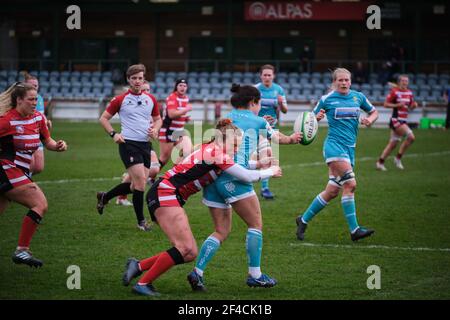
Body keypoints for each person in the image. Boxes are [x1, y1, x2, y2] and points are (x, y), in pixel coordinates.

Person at [121, 119, 282, 296]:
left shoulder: (211, 149)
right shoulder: (216, 152)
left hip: (164, 194)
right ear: (223, 139)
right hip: (165, 193)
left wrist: (259, 164)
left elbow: (237, 167)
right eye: (234, 145)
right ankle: (143, 283)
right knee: (186, 248)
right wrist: (271, 172)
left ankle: (138, 266)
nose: (236, 150)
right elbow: (245, 176)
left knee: (188, 251)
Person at [187, 84, 301, 291]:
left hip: (213, 176)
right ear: (253, 103)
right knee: (255, 224)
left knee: (221, 230)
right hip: (234, 176)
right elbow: (278, 138)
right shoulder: (258, 120)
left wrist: (257, 163)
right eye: (259, 104)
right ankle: (255, 275)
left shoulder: (226, 119)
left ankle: (198, 272)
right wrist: (293, 138)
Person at [295, 68, 378, 242]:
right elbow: (309, 120)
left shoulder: (358, 97)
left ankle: (302, 220)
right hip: (334, 147)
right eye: (340, 80)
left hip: (350, 149)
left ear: (350, 81)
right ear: (334, 82)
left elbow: (374, 111)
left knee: (332, 191)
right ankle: (354, 230)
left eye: (347, 80)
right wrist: (316, 117)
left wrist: (370, 120)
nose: (344, 83)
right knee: (351, 184)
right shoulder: (327, 99)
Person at [0, 82, 67, 267]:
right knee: (40, 203)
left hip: (19, 172)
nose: (34, 102)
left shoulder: (38, 118)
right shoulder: (7, 121)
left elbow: (47, 141)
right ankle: (22, 250)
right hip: (7, 169)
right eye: (30, 99)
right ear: (19, 100)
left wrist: (58, 146)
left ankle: (22, 251)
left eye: (36, 99)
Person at [96, 64, 162, 231]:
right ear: (128, 80)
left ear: (144, 79)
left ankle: (105, 196)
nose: (137, 81)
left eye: (140, 78)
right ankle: (141, 222)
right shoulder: (120, 99)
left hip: (145, 145)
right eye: (134, 78)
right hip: (128, 145)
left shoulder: (151, 99)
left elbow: (158, 119)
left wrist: (155, 129)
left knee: (134, 186)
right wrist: (114, 134)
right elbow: (103, 119)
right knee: (140, 184)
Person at [116, 81, 160, 206]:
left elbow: (157, 122)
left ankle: (114, 196)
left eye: (148, 90)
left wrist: (154, 132)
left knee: (153, 171)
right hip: (133, 144)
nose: (146, 92)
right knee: (154, 169)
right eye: (144, 90)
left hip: (146, 144)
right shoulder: (133, 105)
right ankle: (121, 197)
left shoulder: (150, 105)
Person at [255, 64, 288, 200]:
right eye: (265, 75)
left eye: (269, 75)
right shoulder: (255, 89)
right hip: (257, 127)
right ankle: (259, 187)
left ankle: (264, 188)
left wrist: (281, 104)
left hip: (272, 128)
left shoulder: (278, 90)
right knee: (258, 157)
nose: (267, 77)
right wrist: (260, 119)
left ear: (273, 76)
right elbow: (248, 108)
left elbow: (285, 110)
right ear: (261, 76)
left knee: (268, 156)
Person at [376, 74, 417, 171]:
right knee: (411, 137)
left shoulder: (409, 93)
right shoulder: (395, 92)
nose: (404, 82)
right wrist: (397, 104)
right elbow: (385, 104)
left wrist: (414, 106)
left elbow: (410, 107)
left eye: (406, 81)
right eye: (403, 81)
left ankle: (380, 162)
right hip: (396, 120)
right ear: (399, 82)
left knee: (393, 144)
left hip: (403, 120)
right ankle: (398, 158)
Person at [158, 79, 193, 169]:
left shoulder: (185, 98)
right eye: (180, 85)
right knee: (164, 158)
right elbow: (172, 114)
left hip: (179, 131)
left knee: (188, 151)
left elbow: (178, 113)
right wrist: (186, 109)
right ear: (176, 87)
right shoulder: (172, 97)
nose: (182, 87)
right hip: (168, 130)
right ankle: (150, 175)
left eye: (184, 86)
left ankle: (174, 172)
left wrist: (184, 118)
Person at [23, 73, 51, 175]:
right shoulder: (20, 99)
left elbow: (40, 116)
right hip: (25, 133)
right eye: (32, 85)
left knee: (39, 167)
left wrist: (46, 123)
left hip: (37, 133)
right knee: (29, 165)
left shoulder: (39, 98)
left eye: (36, 85)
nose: (34, 87)